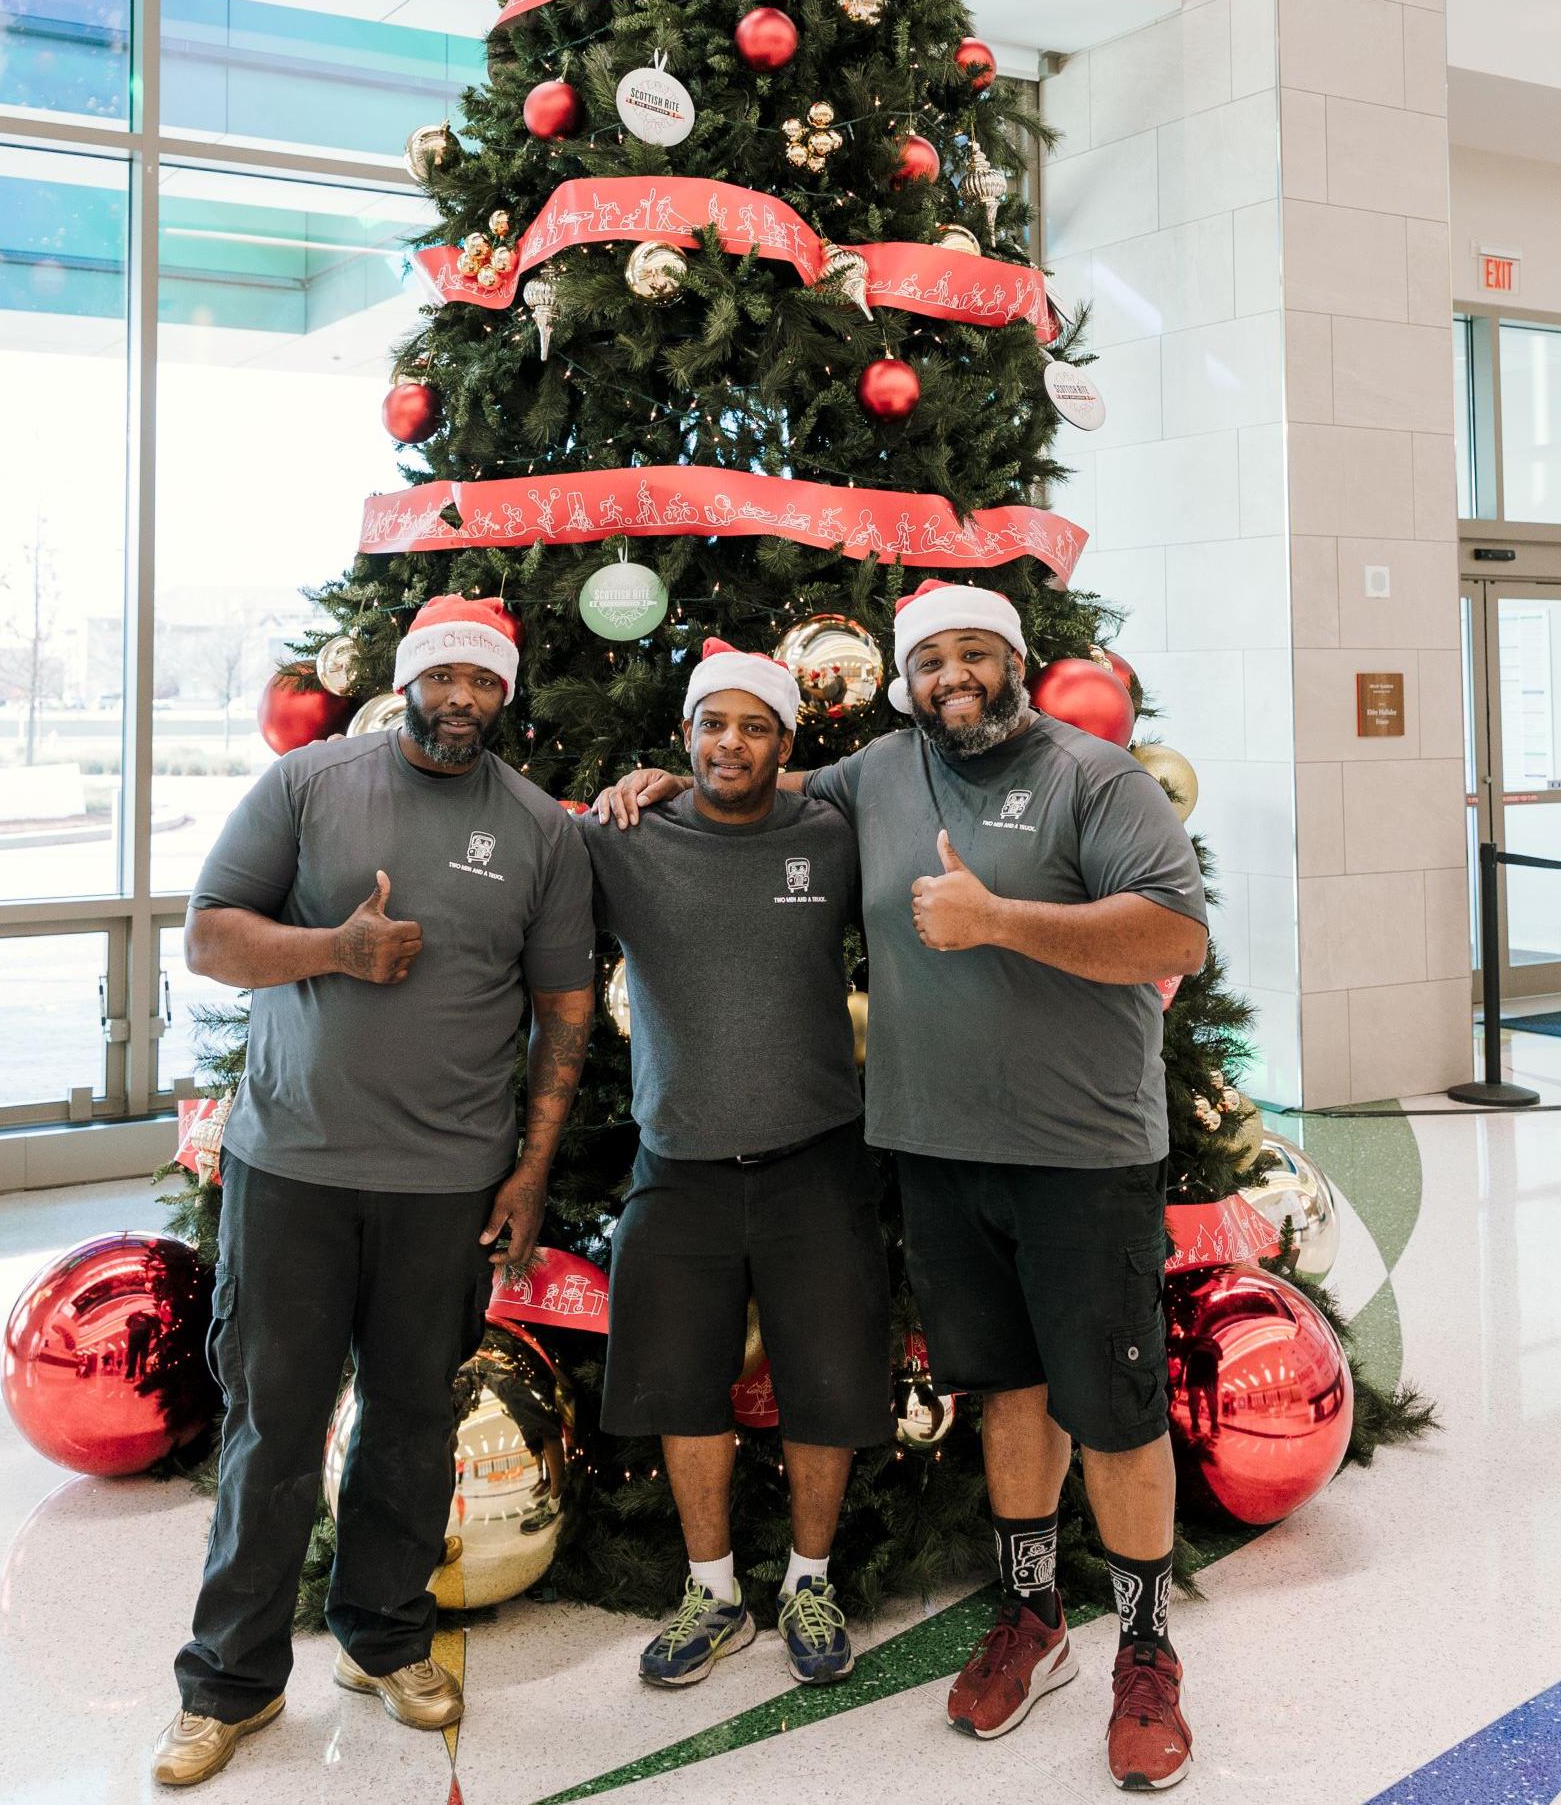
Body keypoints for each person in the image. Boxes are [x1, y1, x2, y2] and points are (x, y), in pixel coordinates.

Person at [597, 581, 1208, 1792]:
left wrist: (999, 921)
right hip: (933, 1147)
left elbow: (1173, 938)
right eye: (929, 662)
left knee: (1117, 1408)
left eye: (976, 655)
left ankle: (1144, 1651)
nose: (953, 679)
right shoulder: (874, 775)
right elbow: (752, 790)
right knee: (1009, 1391)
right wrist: (656, 783)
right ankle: (1032, 1622)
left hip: (1081, 1153)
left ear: (1016, 662)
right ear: (900, 680)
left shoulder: (1099, 777)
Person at [154, 595, 596, 1788]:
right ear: (406, 681)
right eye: (441, 676)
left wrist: (530, 1166)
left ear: (506, 695)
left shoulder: (537, 832)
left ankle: (385, 1637)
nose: (460, 698)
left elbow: (563, 1012)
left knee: (409, 1427)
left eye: (483, 682)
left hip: (444, 1188)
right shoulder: (309, 786)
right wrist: (333, 952)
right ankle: (229, 1686)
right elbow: (208, 937)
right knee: (273, 1426)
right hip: (290, 1171)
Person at [583, 638, 887, 1691]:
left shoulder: (832, 836)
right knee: (679, 1387)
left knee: (829, 1378)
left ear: (785, 744)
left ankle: (809, 1579)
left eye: (754, 726)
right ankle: (713, 1594)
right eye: (712, 723)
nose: (731, 742)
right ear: (683, 736)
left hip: (817, 1156)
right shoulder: (623, 837)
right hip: (679, 1164)